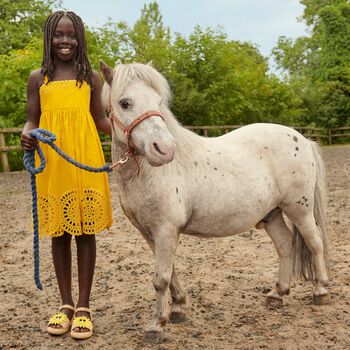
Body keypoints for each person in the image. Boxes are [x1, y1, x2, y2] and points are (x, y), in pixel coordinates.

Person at [21, 10, 113, 340]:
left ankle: (84, 307)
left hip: (84, 157)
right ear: (50, 38)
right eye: (59, 35)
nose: (65, 41)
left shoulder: (90, 77)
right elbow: (32, 119)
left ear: (80, 39)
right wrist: (27, 133)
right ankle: (65, 304)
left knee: (86, 231)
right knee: (59, 232)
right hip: (55, 164)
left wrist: (130, 134)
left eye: (71, 35)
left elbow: (101, 120)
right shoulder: (38, 78)